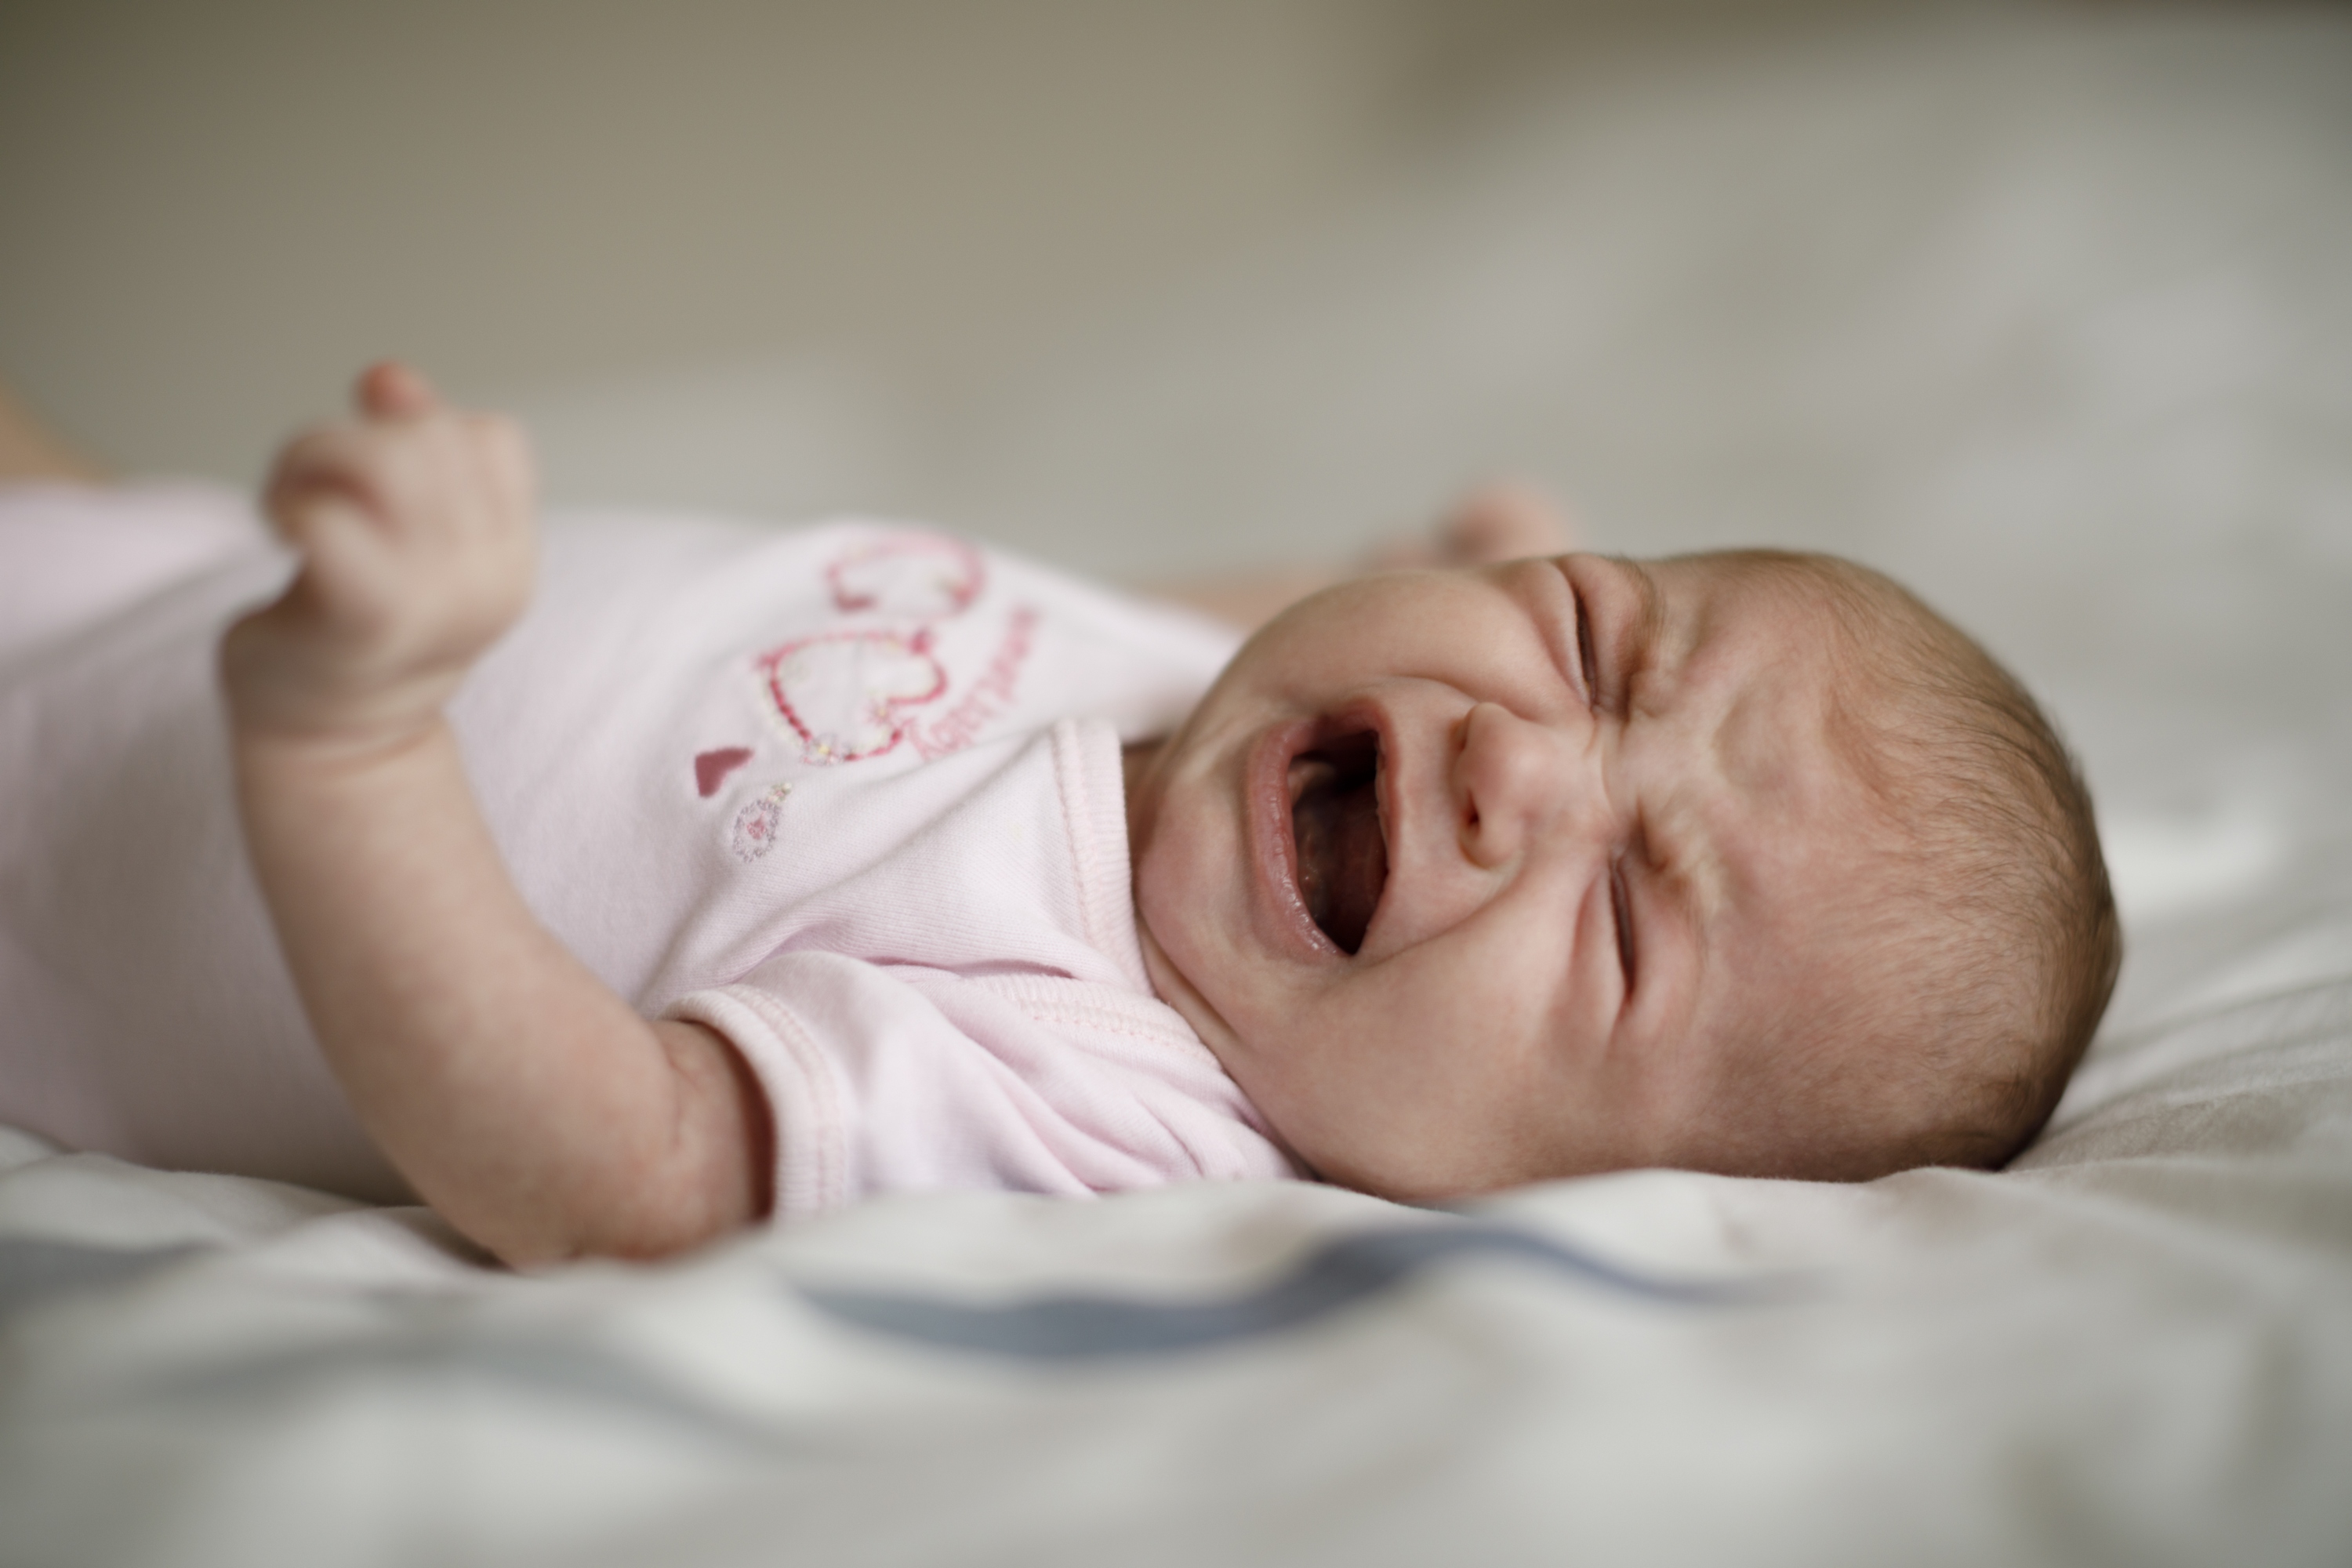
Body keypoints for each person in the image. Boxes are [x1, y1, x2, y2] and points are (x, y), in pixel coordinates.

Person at [0, 365, 2118, 1266]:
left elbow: (612, 1171)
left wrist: (356, 737)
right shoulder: (1239, 708)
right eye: (1589, 640)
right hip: (125, 560)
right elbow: (1218, 610)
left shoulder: (1105, 1085)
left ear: (1553, 1195)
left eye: (1632, 927)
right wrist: (1435, 544)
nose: (1520, 758)